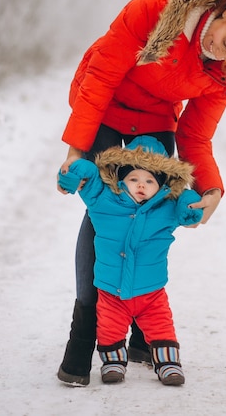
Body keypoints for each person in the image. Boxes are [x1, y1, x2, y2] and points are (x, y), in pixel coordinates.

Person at [56, 0, 226, 386]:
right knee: (111, 210)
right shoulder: (156, 10)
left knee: (151, 205)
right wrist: (76, 149)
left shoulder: (225, 71)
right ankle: (85, 335)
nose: (221, 54)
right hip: (104, 101)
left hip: (156, 118)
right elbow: (101, 78)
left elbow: (194, 134)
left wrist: (211, 189)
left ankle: (139, 333)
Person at [58, 135, 203, 386]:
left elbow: (187, 209)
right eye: (133, 178)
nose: (141, 185)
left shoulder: (166, 209)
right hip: (111, 291)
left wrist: (190, 206)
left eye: (149, 180)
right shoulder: (103, 201)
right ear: (120, 178)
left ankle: (168, 364)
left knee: (161, 328)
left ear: (162, 184)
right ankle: (113, 363)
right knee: (109, 329)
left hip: (152, 293)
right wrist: (75, 169)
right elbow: (90, 177)